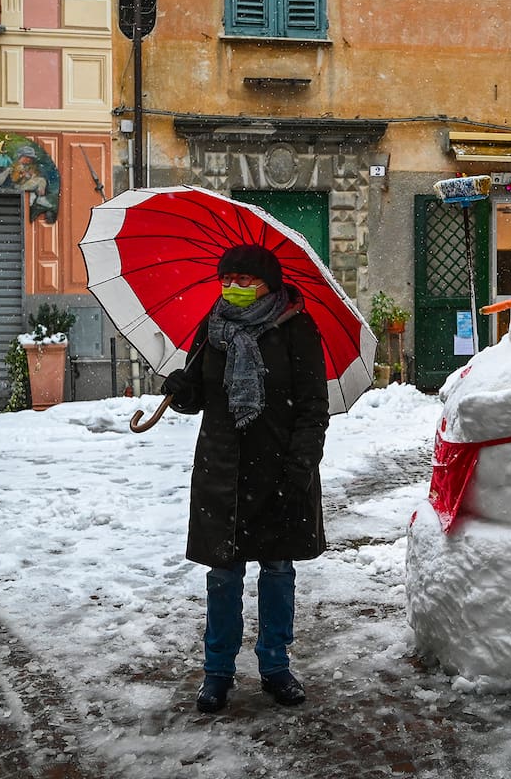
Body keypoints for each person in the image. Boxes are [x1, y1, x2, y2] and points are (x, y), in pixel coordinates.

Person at [161, 245, 330, 714]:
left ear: (268, 284)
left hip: (279, 469)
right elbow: (196, 398)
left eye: (244, 279)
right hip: (223, 470)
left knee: (277, 570)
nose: (232, 287)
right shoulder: (212, 328)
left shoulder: (296, 328)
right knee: (223, 573)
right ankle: (217, 672)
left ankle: (275, 666)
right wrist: (179, 390)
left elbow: (314, 408)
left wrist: (300, 468)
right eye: (227, 278)